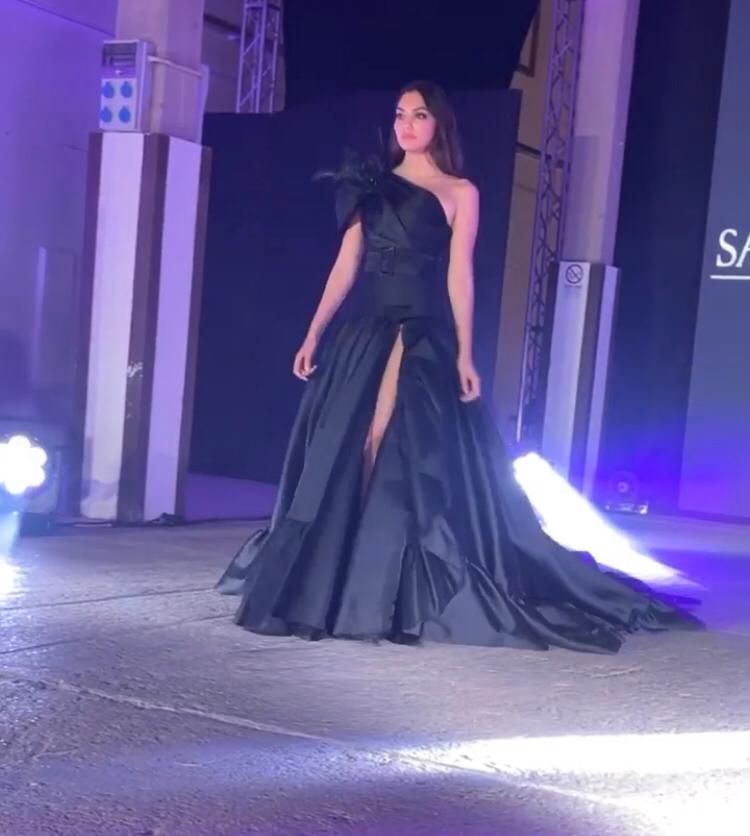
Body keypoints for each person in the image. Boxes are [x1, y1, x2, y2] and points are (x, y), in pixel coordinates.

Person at [217, 80, 702, 652]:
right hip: (365, 330)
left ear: (438, 124)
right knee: (342, 448)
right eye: (400, 114)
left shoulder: (459, 192)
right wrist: (314, 331)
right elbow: (345, 266)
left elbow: (459, 276)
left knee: (392, 445)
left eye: (419, 115)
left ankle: (374, 591)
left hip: (419, 330)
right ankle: (331, 582)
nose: (406, 125)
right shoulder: (369, 185)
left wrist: (467, 351)